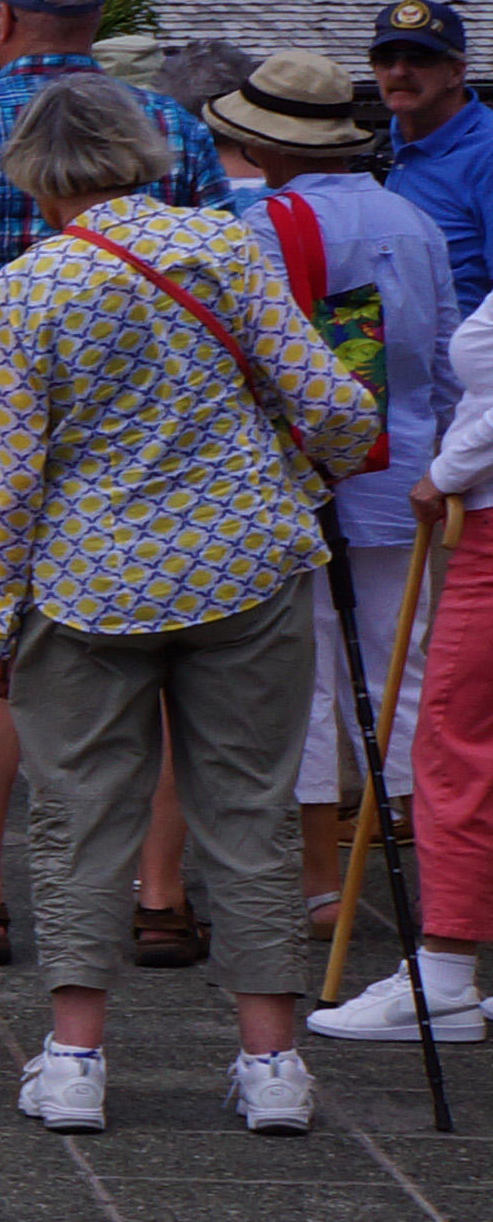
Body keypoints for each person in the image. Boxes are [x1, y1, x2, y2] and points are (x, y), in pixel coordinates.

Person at [0, 76, 377, 1130]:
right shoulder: (226, 248)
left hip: (89, 583)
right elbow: (332, 405)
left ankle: (76, 1059)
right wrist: (336, 448)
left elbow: (6, 487)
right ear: (142, 151)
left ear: (37, 179)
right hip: (245, 565)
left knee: (81, 811)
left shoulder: (24, 293)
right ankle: (273, 1064)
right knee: (251, 806)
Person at [0, 0, 227, 962]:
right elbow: (212, 277)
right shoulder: (171, 127)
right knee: (161, 659)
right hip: (145, 447)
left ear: (1, 20)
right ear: (93, 21)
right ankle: (159, 898)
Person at [203, 52, 453, 951]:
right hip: (410, 473)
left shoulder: (265, 223)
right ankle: (441, 885)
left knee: (303, 681)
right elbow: (447, 359)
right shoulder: (412, 216)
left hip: (303, 481)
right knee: (407, 676)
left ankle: (318, 884)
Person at [370, 0, 493, 311]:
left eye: (419, 58)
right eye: (386, 58)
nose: (399, 72)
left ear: (456, 71)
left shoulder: (486, 155)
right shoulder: (383, 147)